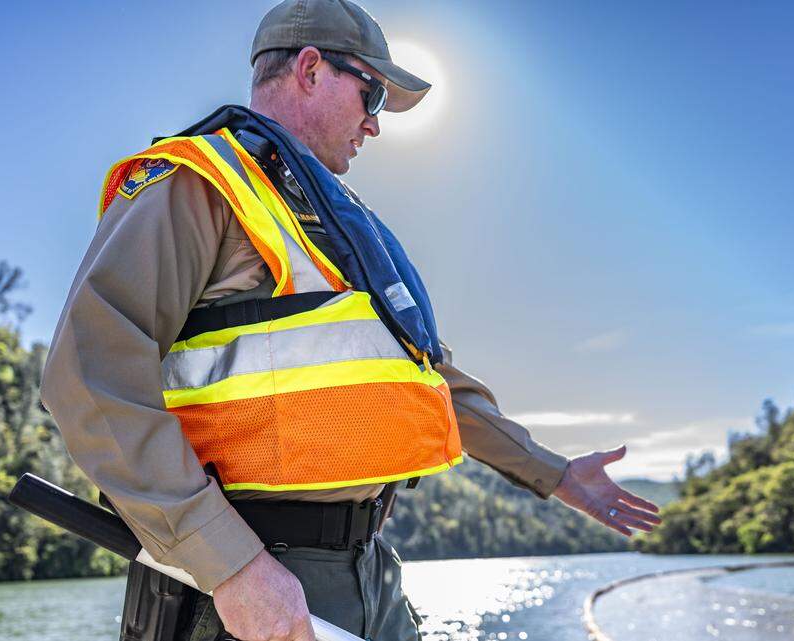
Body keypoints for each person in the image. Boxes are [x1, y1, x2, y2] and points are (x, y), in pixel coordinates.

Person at [39, 1, 661, 640]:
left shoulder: (332, 229)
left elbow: (427, 380)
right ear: (310, 69)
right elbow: (88, 374)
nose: (376, 125)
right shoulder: (195, 185)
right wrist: (229, 564)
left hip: (368, 576)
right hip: (251, 582)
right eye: (371, 96)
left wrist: (554, 473)